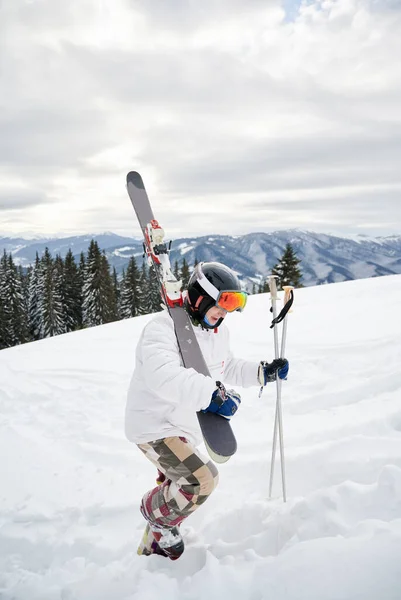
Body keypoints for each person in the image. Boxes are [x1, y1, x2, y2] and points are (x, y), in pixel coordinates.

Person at [125, 261, 289, 560]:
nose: (225, 313)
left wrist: (263, 373)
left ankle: (151, 550)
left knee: (177, 486)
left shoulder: (215, 334)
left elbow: (227, 366)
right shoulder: (162, 330)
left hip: (184, 426)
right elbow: (164, 377)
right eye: (222, 303)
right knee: (201, 480)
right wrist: (213, 396)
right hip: (155, 426)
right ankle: (156, 516)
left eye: (232, 305)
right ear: (200, 297)